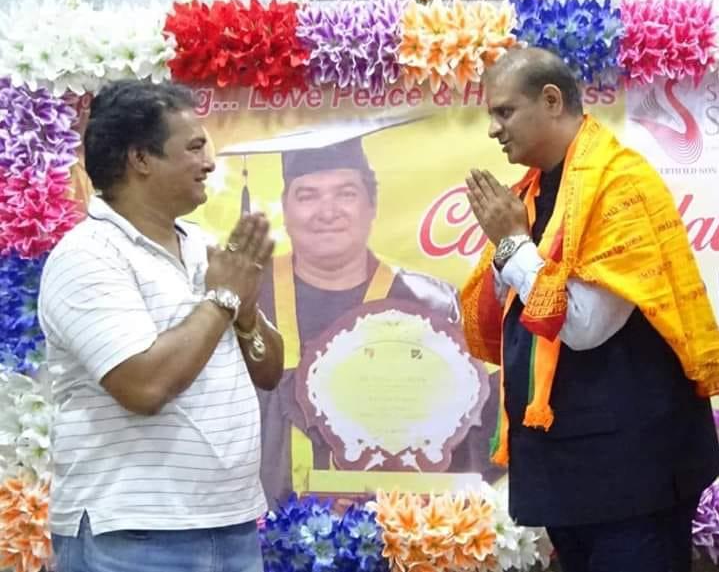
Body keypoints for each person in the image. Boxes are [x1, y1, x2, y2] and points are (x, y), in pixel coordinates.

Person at [461, 47, 719, 572]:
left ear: (551, 100)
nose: (492, 130)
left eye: (504, 112)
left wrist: (512, 245)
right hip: (568, 471)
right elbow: (508, 305)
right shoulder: (533, 191)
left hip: (633, 476)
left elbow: (584, 326)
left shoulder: (618, 183)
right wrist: (510, 248)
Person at [38, 80, 284, 572]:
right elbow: (144, 387)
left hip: (231, 525)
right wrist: (222, 300)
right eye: (194, 148)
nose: (209, 163)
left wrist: (245, 310)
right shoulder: (87, 256)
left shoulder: (200, 245)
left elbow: (270, 371)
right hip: (133, 536)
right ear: (140, 159)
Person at [251, 132, 503, 506]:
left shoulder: (432, 304)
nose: (327, 211)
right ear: (285, 210)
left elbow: (480, 427)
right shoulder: (248, 295)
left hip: (395, 519)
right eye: (307, 195)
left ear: (372, 206)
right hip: (259, 521)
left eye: (346, 193)